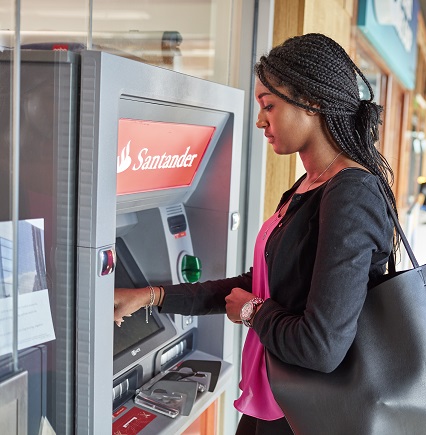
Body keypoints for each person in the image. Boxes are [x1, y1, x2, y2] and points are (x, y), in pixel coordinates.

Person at [113, 33, 396, 434]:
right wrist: (154, 296)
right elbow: (265, 282)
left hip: (308, 418)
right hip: (279, 405)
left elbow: (321, 346)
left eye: (269, 106)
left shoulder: (351, 194)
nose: (261, 120)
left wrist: (252, 312)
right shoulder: (311, 185)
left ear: (312, 103)